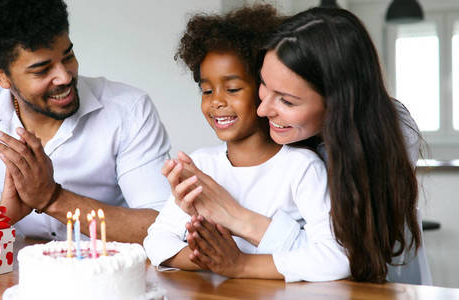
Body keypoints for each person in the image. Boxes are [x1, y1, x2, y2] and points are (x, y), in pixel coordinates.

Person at [174, 7, 431, 284]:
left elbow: (340, 255)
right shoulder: (285, 139)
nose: (263, 110)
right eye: (264, 85)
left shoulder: (389, 132)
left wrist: (236, 222)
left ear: (336, 102)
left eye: (287, 100)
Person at [0, 0, 171, 244]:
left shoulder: (129, 108)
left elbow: (162, 226)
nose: (64, 77)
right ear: (1, 75)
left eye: (68, 56)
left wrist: (52, 197)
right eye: (42, 70)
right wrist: (0, 218)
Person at [144, 5, 350, 282]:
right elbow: (156, 240)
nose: (216, 101)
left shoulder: (301, 167)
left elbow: (333, 257)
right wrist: (212, 260)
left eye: (232, 89)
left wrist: (237, 262)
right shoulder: (202, 165)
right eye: (206, 90)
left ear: (266, 88)